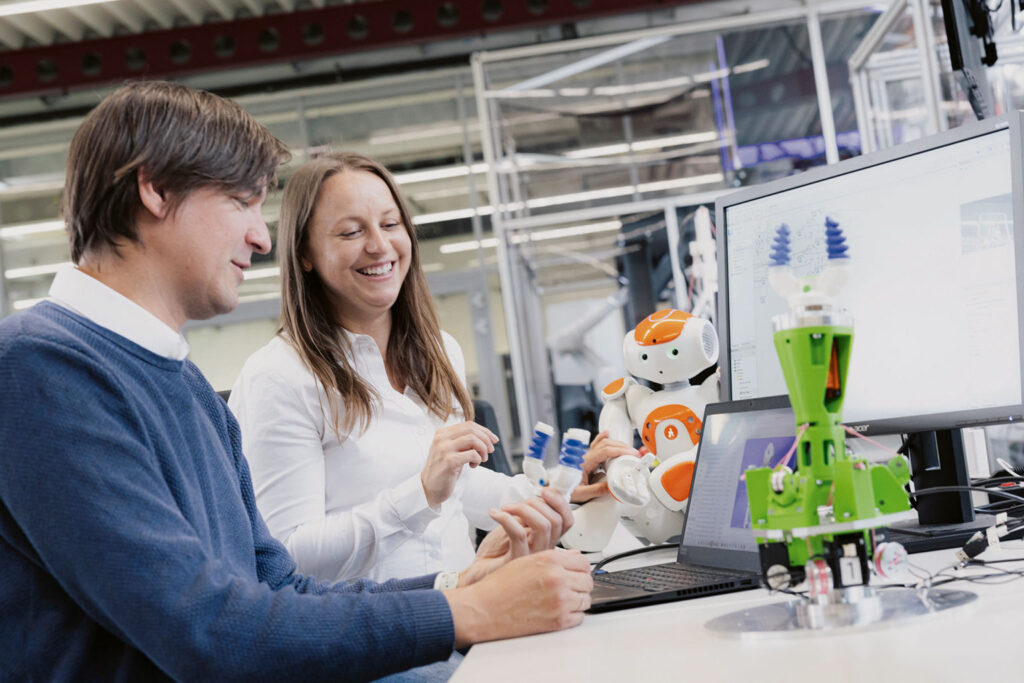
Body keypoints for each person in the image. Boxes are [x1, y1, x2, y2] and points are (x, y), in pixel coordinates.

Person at [0, 80, 593, 682]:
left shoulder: (187, 386)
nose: (261, 238)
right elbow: (204, 630)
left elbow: (277, 584)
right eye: (242, 202)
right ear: (154, 189)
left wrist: (457, 583)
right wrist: (463, 612)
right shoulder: (39, 370)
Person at [229, 152, 638, 585]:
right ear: (305, 254)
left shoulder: (440, 351)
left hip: (469, 610)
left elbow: (459, 491)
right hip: (378, 638)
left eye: (390, 225)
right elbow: (287, 559)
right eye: (351, 231)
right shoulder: (279, 378)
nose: (379, 246)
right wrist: (420, 493)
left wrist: (558, 490)